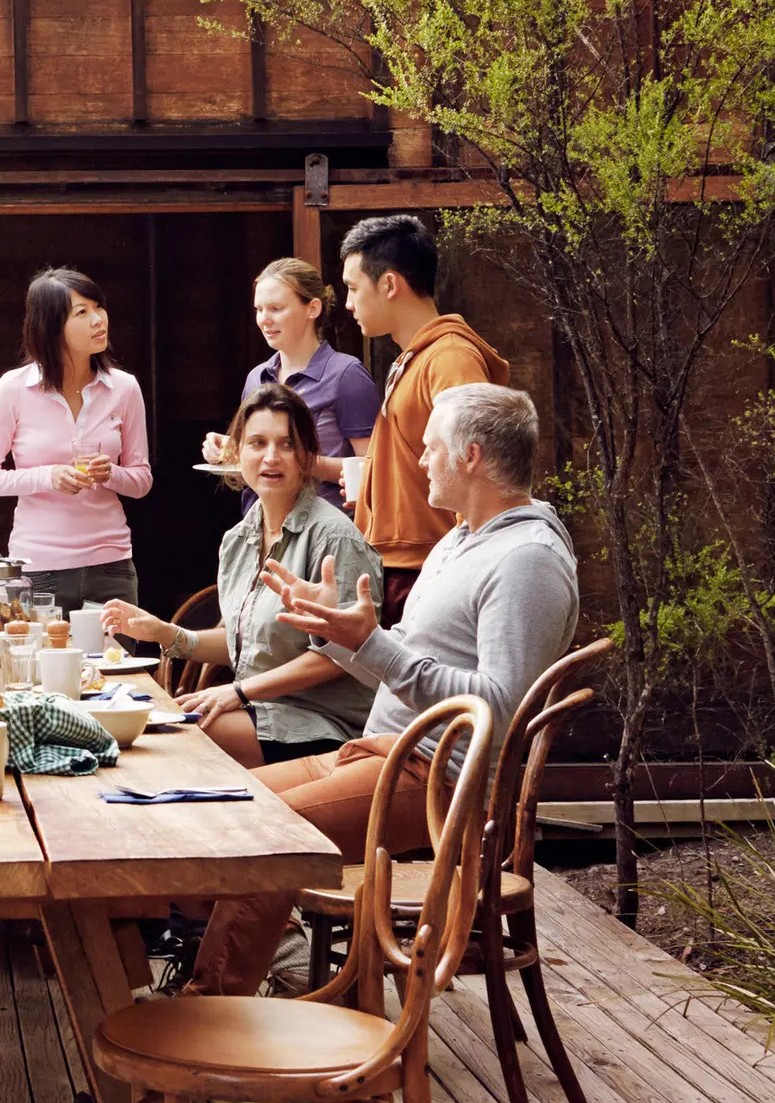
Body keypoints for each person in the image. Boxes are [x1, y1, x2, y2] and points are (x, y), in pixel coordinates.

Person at [189, 383, 580, 995]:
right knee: (222, 811)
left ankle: (209, 1015)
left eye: (429, 449)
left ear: (470, 456)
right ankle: (268, 981)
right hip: (378, 753)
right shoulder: (460, 539)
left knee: (271, 835)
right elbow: (396, 660)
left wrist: (370, 643)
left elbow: (497, 708)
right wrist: (339, 630)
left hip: (437, 782)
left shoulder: (526, 559)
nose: (419, 461)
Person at [102, 384, 375, 765]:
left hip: (326, 723)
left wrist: (239, 692)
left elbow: (343, 655)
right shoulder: (239, 538)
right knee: (144, 724)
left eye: (286, 444)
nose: (271, 457)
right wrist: (167, 634)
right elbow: (244, 641)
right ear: (236, 454)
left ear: (308, 455)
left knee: (175, 742)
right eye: (257, 443)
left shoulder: (334, 537)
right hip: (261, 708)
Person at [338, 213, 508, 622]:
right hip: (405, 564)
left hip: (431, 568)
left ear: (389, 284)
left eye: (353, 288)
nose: (348, 304)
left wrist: (464, 569)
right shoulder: (416, 358)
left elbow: (479, 466)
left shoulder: (449, 358)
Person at [0, 268, 155, 611]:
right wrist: (48, 476)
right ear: (51, 327)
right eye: (82, 313)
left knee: (116, 665)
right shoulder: (13, 388)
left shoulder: (124, 388)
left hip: (110, 565)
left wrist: (109, 473)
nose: (99, 320)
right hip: (39, 567)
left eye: (99, 307)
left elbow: (141, 480)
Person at [204, 257, 381, 508]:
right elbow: (253, 468)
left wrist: (297, 460)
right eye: (259, 309)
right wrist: (229, 450)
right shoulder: (257, 377)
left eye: (276, 308)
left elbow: (371, 468)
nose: (264, 319)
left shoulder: (346, 375)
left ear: (313, 309)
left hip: (322, 530)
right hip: (261, 527)